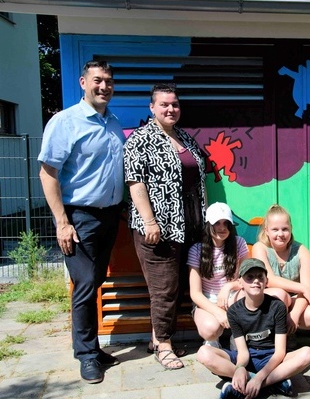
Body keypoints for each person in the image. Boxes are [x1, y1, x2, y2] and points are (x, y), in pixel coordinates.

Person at [38, 60, 123, 383]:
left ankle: (92, 348)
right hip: (79, 217)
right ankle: (86, 354)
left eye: (109, 81)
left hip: (110, 215)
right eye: (98, 80)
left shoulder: (113, 122)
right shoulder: (65, 122)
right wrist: (62, 222)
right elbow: (48, 173)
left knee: (95, 280)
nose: (104, 86)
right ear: (83, 82)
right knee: (85, 283)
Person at [124, 83, 208, 370]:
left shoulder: (184, 137)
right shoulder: (140, 140)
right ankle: (163, 345)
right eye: (164, 104)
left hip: (188, 227)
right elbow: (135, 183)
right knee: (164, 289)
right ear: (152, 108)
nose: (170, 109)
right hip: (158, 230)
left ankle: (156, 338)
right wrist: (150, 221)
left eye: (174, 104)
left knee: (179, 286)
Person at [196, 258, 310, 399]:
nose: (256, 281)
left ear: (266, 281)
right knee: (204, 353)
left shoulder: (277, 307)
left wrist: (259, 379)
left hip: (271, 357)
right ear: (240, 283)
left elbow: (280, 352)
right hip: (247, 357)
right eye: (249, 277)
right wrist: (240, 368)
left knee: (307, 354)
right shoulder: (234, 311)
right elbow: (242, 351)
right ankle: (271, 382)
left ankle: (254, 385)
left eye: (260, 277)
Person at [252, 204, 310, 334]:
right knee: (280, 295)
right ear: (266, 231)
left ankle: (290, 332)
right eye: (275, 229)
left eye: (285, 229)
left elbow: (308, 289)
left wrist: (295, 314)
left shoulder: (301, 250)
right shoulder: (260, 248)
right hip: (268, 300)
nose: (280, 234)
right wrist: (302, 288)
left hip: (295, 300)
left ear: (291, 229)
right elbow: (269, 280)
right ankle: (271, 336)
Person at [188, 202, 249, 348]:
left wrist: (228, 287)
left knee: (250, 297)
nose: (222, 228)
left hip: (233, 296)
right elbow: (195, 293)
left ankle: (237, 340)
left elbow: (247, 279)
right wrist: (217, 312)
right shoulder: (196, 250)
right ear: (208, 224)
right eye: (217, 223)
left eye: (226, 223)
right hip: (207, 299)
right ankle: (213, 341)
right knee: (210, 330)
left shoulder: (239, 243)